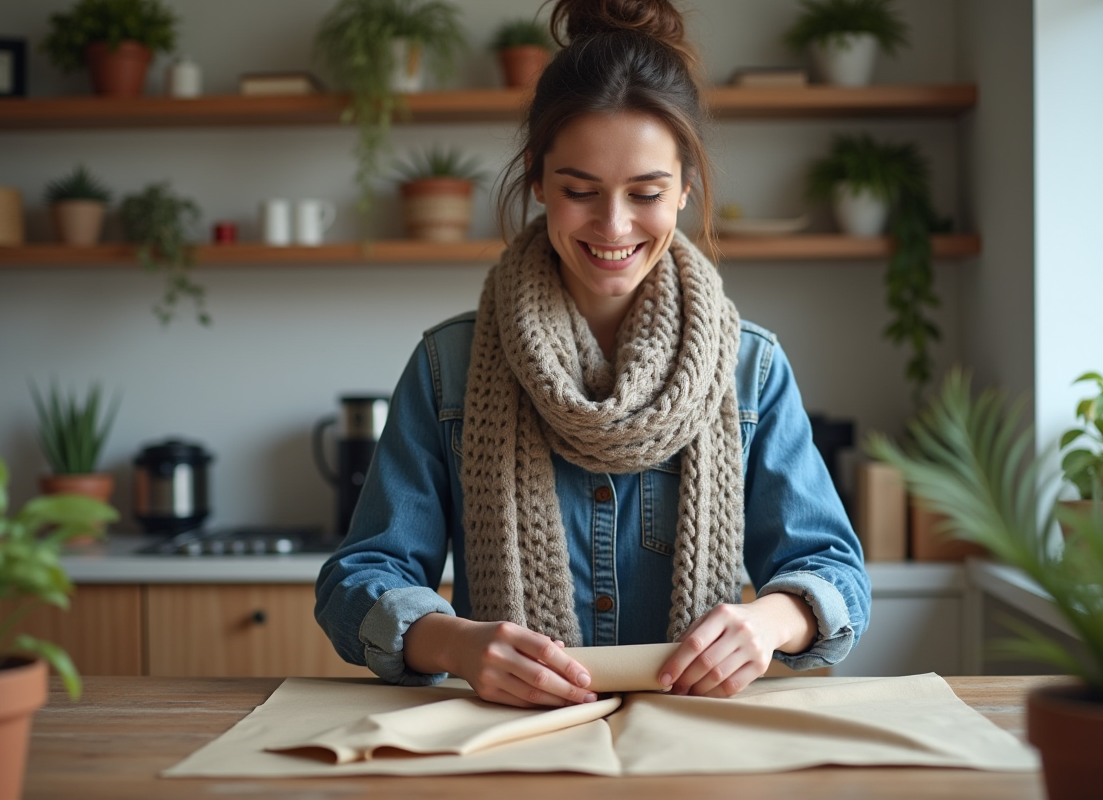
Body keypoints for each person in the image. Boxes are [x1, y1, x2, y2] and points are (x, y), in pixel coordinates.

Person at [316, 0, 870, 709]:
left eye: (646, 193)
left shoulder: (750, 369)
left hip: (695, 747)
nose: (614, 226)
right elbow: (361, 575)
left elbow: (833, 571)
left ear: (684, 192)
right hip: (509, 750)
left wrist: (767, 622)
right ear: (539, 181)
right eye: (581, 191)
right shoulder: (447, 366)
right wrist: (454, 643)